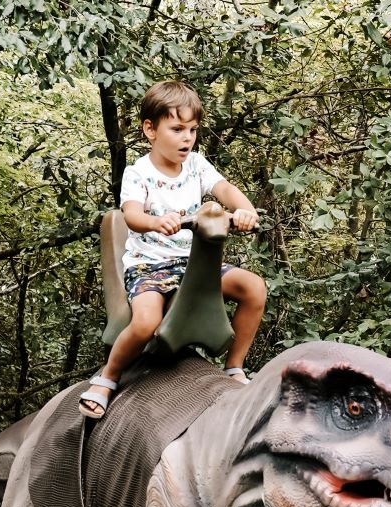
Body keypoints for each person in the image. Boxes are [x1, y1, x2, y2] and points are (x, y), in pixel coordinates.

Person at [79, 80, 267, 418]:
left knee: (254, 288)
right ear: (150, 130)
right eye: (177, 129)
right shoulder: (139, 173)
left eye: (192, 130)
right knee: (145, 322)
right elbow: (132, 215)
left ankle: (234, 366)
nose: (187, 138)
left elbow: (225, 189)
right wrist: (154, 222)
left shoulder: (196, 165)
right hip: (150, 265)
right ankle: (107, 378)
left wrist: (245, 210)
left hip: (190, 265)